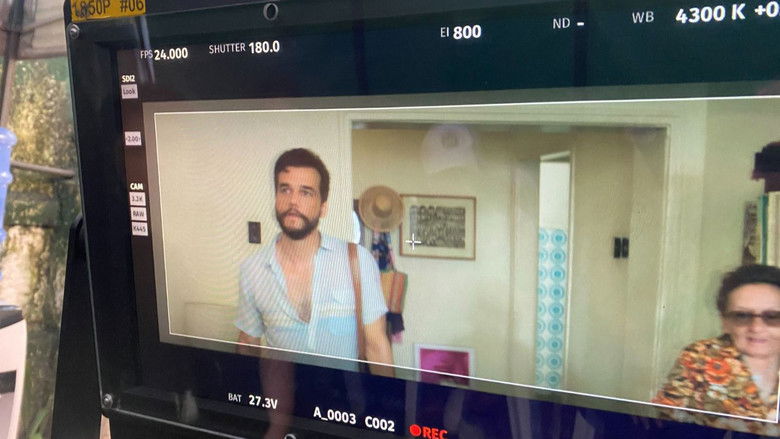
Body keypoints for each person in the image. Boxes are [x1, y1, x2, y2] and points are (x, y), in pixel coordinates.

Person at [234, 148, 393, 375]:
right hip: (280, 396)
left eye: (306, 192)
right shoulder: (252, 270)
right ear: (276, 198)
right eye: (285, 189)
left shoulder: (358, 261)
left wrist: (386, 398)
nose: (293, 201)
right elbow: (247, 346)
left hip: (345, 397)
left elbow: (376, 346)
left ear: (323, 207)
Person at [652, 264, 780, 434]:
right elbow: (664, 427)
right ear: (725, 322)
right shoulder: (698, 357)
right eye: (742, 316)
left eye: (772, 316)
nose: (756, 328)